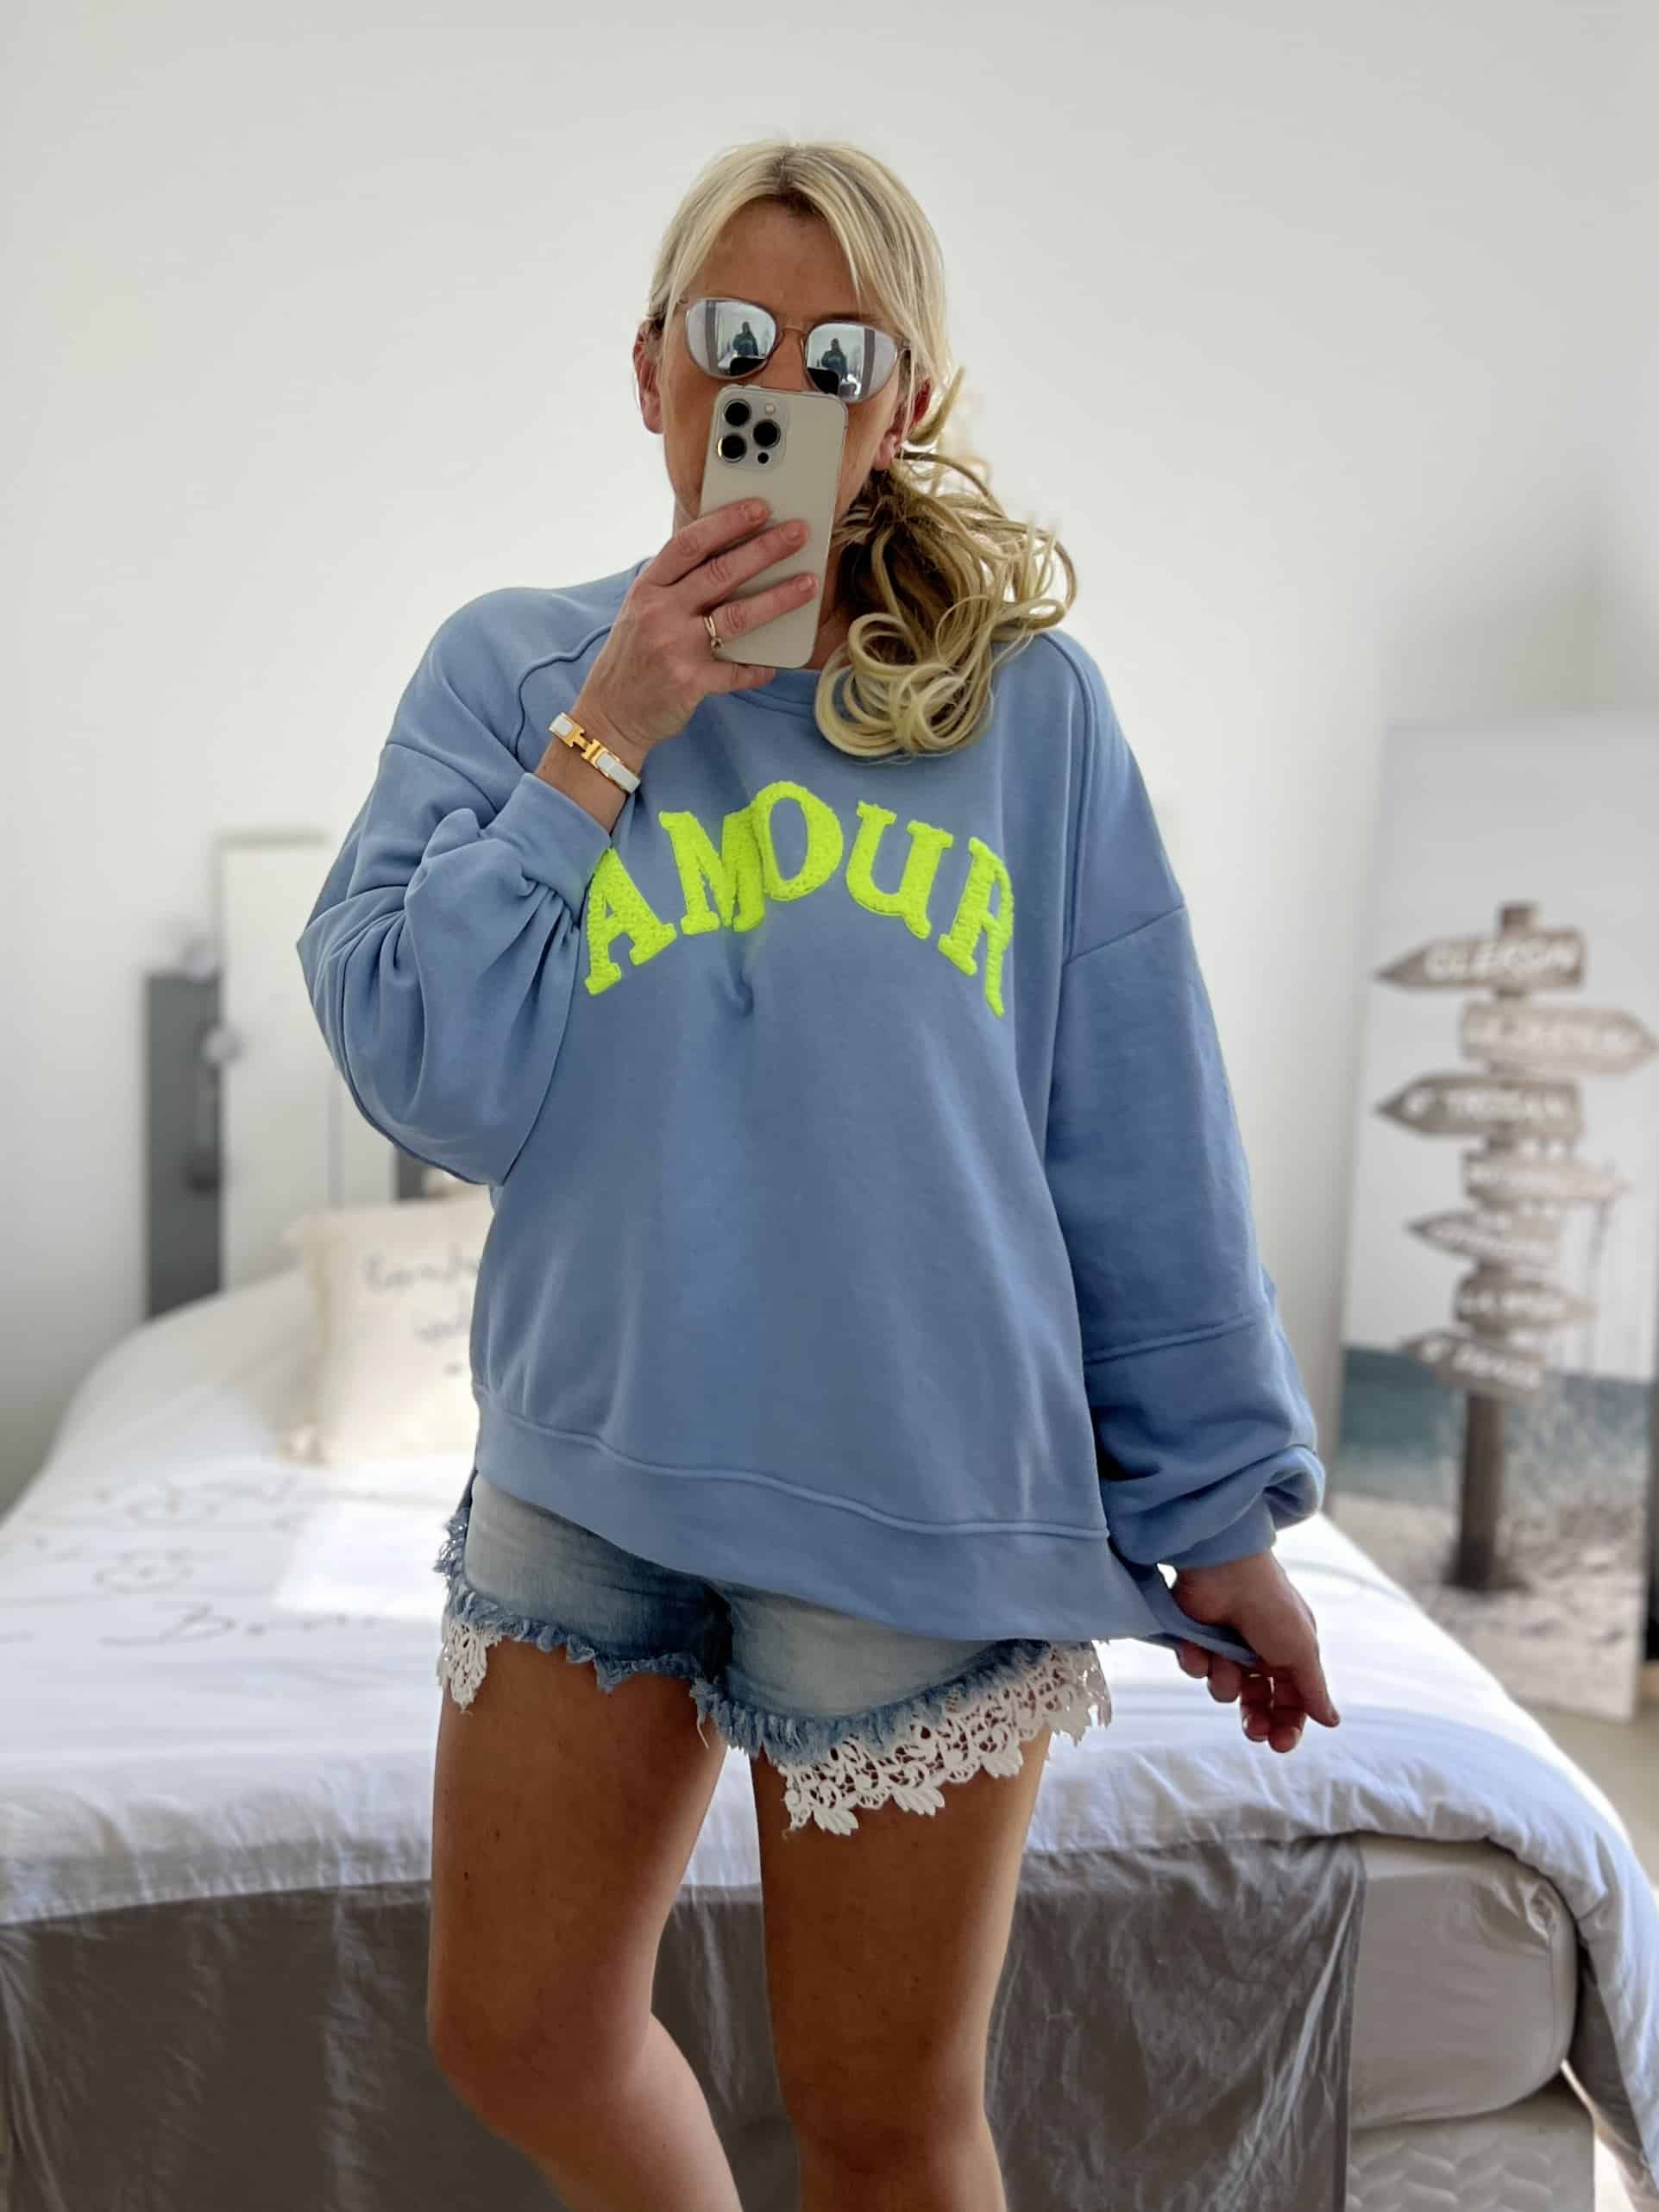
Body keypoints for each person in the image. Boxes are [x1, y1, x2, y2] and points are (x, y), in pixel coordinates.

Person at [297, 135, 1340, 2212]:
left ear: (903, 407)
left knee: (879, 2126)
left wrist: (1216, 1511)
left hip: (916, 1497)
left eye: (838, 355)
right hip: (588, 1472)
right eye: (732, 335)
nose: (776, 382)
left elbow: (1134, 1128)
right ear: (651, 369)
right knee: (515, 2031)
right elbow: (432, 1083)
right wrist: (609, 731)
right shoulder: (509, 674)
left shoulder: (1026, 717)